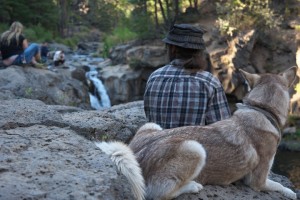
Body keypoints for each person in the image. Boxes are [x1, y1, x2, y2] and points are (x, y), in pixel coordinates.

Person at [144, 24, 231, 129]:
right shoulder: (209, 82)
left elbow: (149, 122)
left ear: (173, 49)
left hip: (158, 145)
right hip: (193, 145)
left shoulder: (154, 78)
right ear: (199, 51)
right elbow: (222, 130)